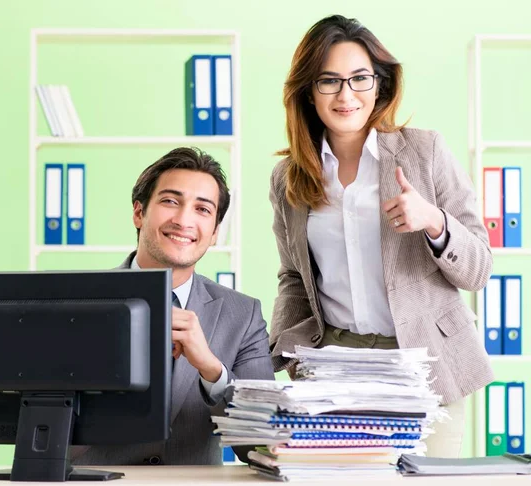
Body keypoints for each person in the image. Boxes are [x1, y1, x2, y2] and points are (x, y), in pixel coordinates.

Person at [268, 14, 493, 458]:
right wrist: (287, 357)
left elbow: (479, 269)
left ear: (380, 84)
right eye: (329, 81)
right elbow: (294, 277)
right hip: (336, 369)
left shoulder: (424, 152)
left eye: (359, 79)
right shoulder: (289, 178)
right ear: (308, 92)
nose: (346, 94)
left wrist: (435, 222)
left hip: (424, 364)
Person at [73, 147, 274, 465]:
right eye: (170, 201)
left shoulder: (244, 316)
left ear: (214, 234)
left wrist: (212, 369)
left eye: (203, 210)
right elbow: (41, 432)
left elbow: (263, 445)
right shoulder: (76, 301)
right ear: (139, 213)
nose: (183, 220)